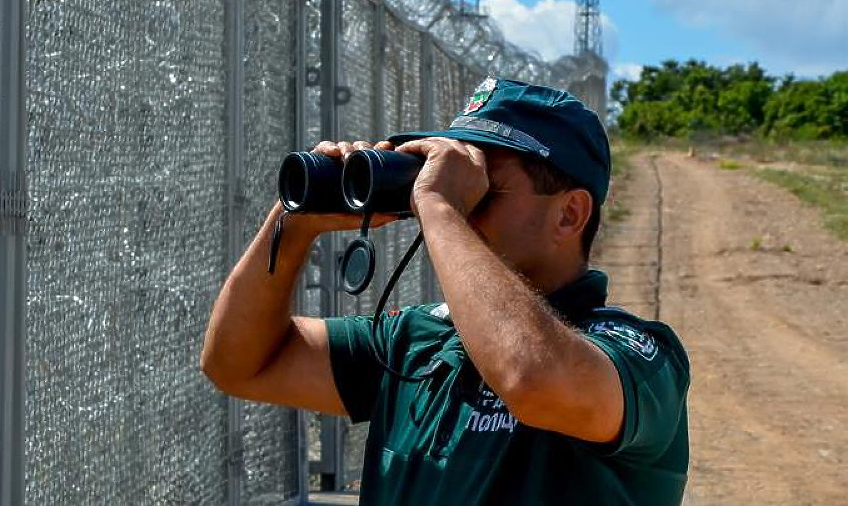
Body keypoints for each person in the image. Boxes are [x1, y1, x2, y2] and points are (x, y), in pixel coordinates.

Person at [201, 77, 690, 505]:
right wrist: (292, 226)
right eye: (456, 181)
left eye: (483, 188)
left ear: (569, 214)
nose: (458, 200)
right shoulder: (415, 342)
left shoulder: (639, 357)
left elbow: (529, 378)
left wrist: (439, 204)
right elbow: (240, 363)